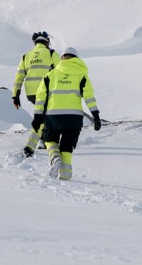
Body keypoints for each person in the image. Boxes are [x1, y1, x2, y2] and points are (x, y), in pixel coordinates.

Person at [33, 46, 102, 181]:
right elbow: (89, 97)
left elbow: (40, 96)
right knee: (67, 146)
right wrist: (96, 116)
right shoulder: (82, 75)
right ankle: (65, 175)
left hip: (53, 116)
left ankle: (54, 157)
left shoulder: (50, 75)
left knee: (49, 140)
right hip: (74, 118)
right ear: (76, 58)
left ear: (62, 58)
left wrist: (37, 116)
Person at [12, 31, 59, 157]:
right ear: (47, 42)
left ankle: (43, 140)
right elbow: (61, 71)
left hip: (31, 93)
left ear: (35, 43)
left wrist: (15, 95)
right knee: (46, 116)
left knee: (43, 114)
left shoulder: (26, 56)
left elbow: (19, 77)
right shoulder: (51, 53)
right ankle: (35, 143)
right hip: (46, 91)